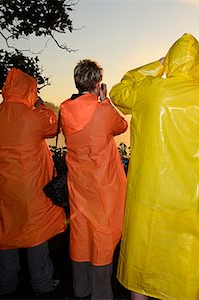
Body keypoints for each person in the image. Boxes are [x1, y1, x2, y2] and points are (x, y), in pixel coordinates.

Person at [109, 33, 199, 299]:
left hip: (147, 200)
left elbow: (118, 92)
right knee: (181, 276)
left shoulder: (149, 91)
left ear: (172, 61)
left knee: (141, 270)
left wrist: (159, 64)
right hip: (190, 205)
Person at [0, 67, 67, 297]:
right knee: (35, 235)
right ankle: (42, 285)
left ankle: (6, 287)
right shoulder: (35, 117)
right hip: (33, 190)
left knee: (7, 236)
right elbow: (54, 124)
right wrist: (39, 104)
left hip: (4, 190)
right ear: (30, 91)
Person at [60, 59, 128, 299]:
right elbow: (122, 126)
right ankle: (101, 294)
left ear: (77, 82)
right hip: (103, 186)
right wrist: (105, 101)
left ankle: (81, 289)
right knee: (102, 234)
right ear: (98, 83)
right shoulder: (102, 110)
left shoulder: (65, 110)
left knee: (80, 233)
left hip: (79, 185)